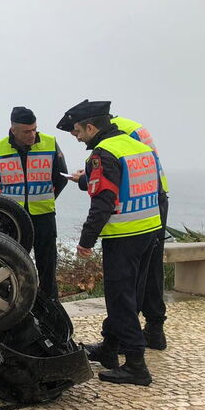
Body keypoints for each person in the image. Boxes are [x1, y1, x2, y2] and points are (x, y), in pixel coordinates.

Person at [57, 100, 162, 386]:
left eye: (78, 131)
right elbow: (133, 185)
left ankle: (136, 365)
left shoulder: (104, 154)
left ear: (91, 127)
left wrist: (85, 241)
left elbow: (104, 201)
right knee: (133, 293)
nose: (77, 136)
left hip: (123, 236)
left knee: (120, 299)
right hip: (149, 230)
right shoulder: (139, 147)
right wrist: (86, 179)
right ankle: (109, 350)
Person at [0, 106, 68, 300]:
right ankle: (16, 302)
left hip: (44, 215)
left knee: (47, 264)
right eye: (27, 131)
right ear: (14, 130)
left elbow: (61, 177)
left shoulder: (50, 143)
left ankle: (50, 303)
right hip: (11, 218)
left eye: (34, 129)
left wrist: (45, 196)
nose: (32, 135)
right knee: (12, 264)